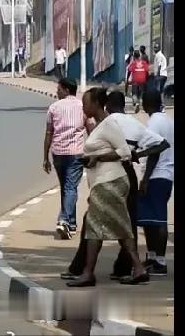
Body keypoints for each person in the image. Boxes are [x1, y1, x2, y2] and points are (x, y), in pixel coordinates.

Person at [63, 90, 169, 281]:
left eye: (86, 103)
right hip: (116, 177)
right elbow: (160, 144)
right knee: (123, 225)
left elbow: (123, 151)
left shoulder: (112, 123)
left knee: (95, 224)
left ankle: (85, 271)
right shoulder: (126, 123)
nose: (83, 108)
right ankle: (128, 267)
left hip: (113, 178)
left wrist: (103, 157)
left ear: (103, 104)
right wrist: (138, 154)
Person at [43, 78, 87, 239]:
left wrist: (45, 157)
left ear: (67, 90)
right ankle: (67, 221)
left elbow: (49, 133)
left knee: (66, 187)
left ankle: (68, 221)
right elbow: (90, 127)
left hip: (58, 153)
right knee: (70, 188)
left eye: (59, 89)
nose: (57, 92)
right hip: (76, 153)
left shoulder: (54, 107)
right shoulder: (83, 106)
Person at [138, 89, 174, 276]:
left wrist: (145, 179)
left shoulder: (153, 122)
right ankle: (152, 257)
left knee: (158, 219)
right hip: (167, 174)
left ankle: (160, 261)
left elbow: (154, 151)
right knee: (149, 219)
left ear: (146, 103)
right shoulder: (169, 121)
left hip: (156, 175)